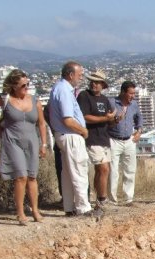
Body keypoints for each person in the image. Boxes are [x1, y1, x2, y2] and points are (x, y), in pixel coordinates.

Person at [0, 69, 47, 225]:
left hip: (32, 140)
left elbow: (41, 123)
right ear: (14, 86)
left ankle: (35, 210)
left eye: (28, 84)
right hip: (12, 140)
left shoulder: (34, 100)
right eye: (23, 85)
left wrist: (44, 143)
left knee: (32, 176)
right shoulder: (5, 99)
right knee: (21, 176)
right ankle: (20, 213)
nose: (26, 87)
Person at [48, 61, 92, 217]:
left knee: (67, 173)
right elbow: (68, 119)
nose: (80, 78)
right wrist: (83, 130)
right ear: (71, 74)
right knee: (79, 171)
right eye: (79, 75)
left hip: (63, 135)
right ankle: (83, 207)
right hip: (71, 135)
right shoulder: (65, 91)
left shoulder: (58, 88)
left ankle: (69, 206)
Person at [78, 69, 115, 218]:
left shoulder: (105, 100)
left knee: (103, 170)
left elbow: (108, 122)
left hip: (104, 138)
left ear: (103, 85)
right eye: (92, 81)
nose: (94, 84)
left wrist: (114, 120)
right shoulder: (84, 96)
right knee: (103, 168)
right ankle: (101, 199)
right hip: (91, 138)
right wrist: (106, 119)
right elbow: (85, 117)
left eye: (97, 82)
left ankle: (99, 199)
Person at [107, 80, 143, 205]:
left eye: (134, 93)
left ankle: (129, 198)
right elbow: (106, 120)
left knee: (130, 169)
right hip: (114, 140)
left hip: (129, 140)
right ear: (123, 92)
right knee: (113, 171)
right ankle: (112, 199)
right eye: (130, 93)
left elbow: (139, 117)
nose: (133, 96)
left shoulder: (134, 105)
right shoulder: (112, 103)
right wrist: (115, 120)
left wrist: (139, 131)